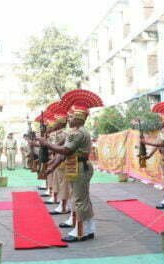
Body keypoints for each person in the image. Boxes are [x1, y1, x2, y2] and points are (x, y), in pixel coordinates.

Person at [36, 89, 103, 242]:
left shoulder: (77, 133)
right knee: (81, 198)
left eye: (72, 116)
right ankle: (89, 228)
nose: (69, 118)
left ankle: (80, 232)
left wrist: (46, 143)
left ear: (79, 118)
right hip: (77, 166)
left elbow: (65, 150)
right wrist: (52, 166)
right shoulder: (76, 131)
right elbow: (65, 153)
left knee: (79, 199)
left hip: (80, 167)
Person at [141, 102, 164, 209]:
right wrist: (149, 155)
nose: (160, 121)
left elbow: (161, 144)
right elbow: (157, 145)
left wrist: (146, 143)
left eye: (161, 119)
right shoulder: (162, 131)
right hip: (163, 158)